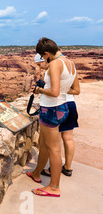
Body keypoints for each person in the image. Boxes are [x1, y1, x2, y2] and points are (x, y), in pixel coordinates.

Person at [26, 38, 78, 197]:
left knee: (54, 150)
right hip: (61, 107)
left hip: (51, 109)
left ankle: (54, 187)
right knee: (46, 145)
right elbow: (72, 90)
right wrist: (58, 91)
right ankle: (37, 173)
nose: (44, 60)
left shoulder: (55, 63)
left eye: (43, 56)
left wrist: (40, 91)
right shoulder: (70, 63)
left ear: (46, 53)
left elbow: (54, 92)